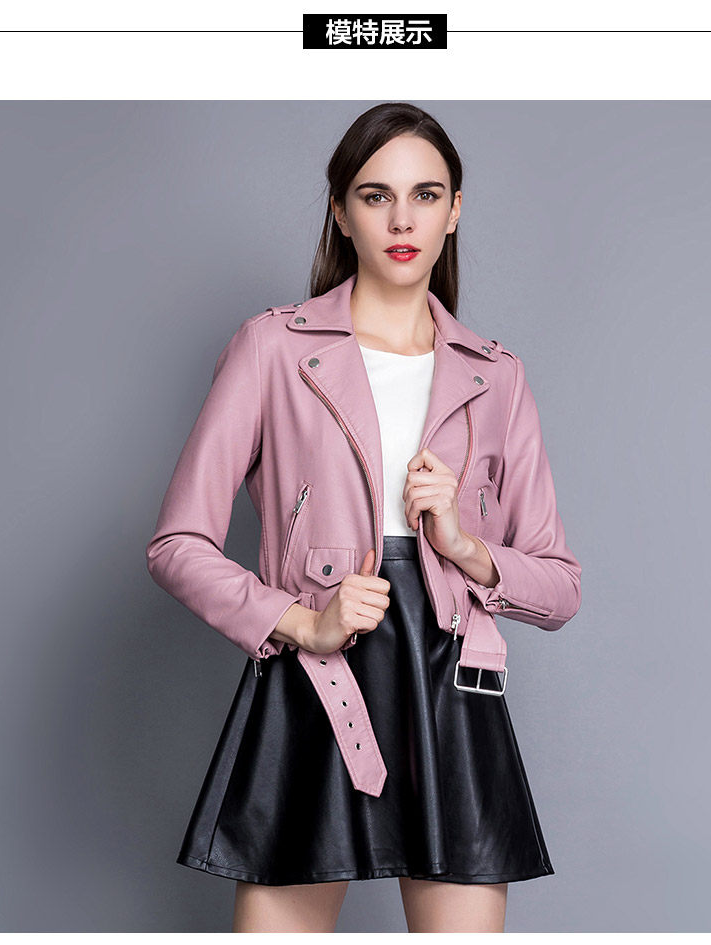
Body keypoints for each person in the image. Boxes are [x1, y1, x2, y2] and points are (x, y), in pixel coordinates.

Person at [145, 102, 582, 933]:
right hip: (316, 679)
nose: (402, 219)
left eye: (426, 194)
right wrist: (300, 621)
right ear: (342, 212)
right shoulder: (272, 348)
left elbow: (560, 587)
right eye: (376, 195)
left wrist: (465, 546)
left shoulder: (497, 375)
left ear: (455, 210)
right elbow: (177, 545)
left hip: (451, 689)